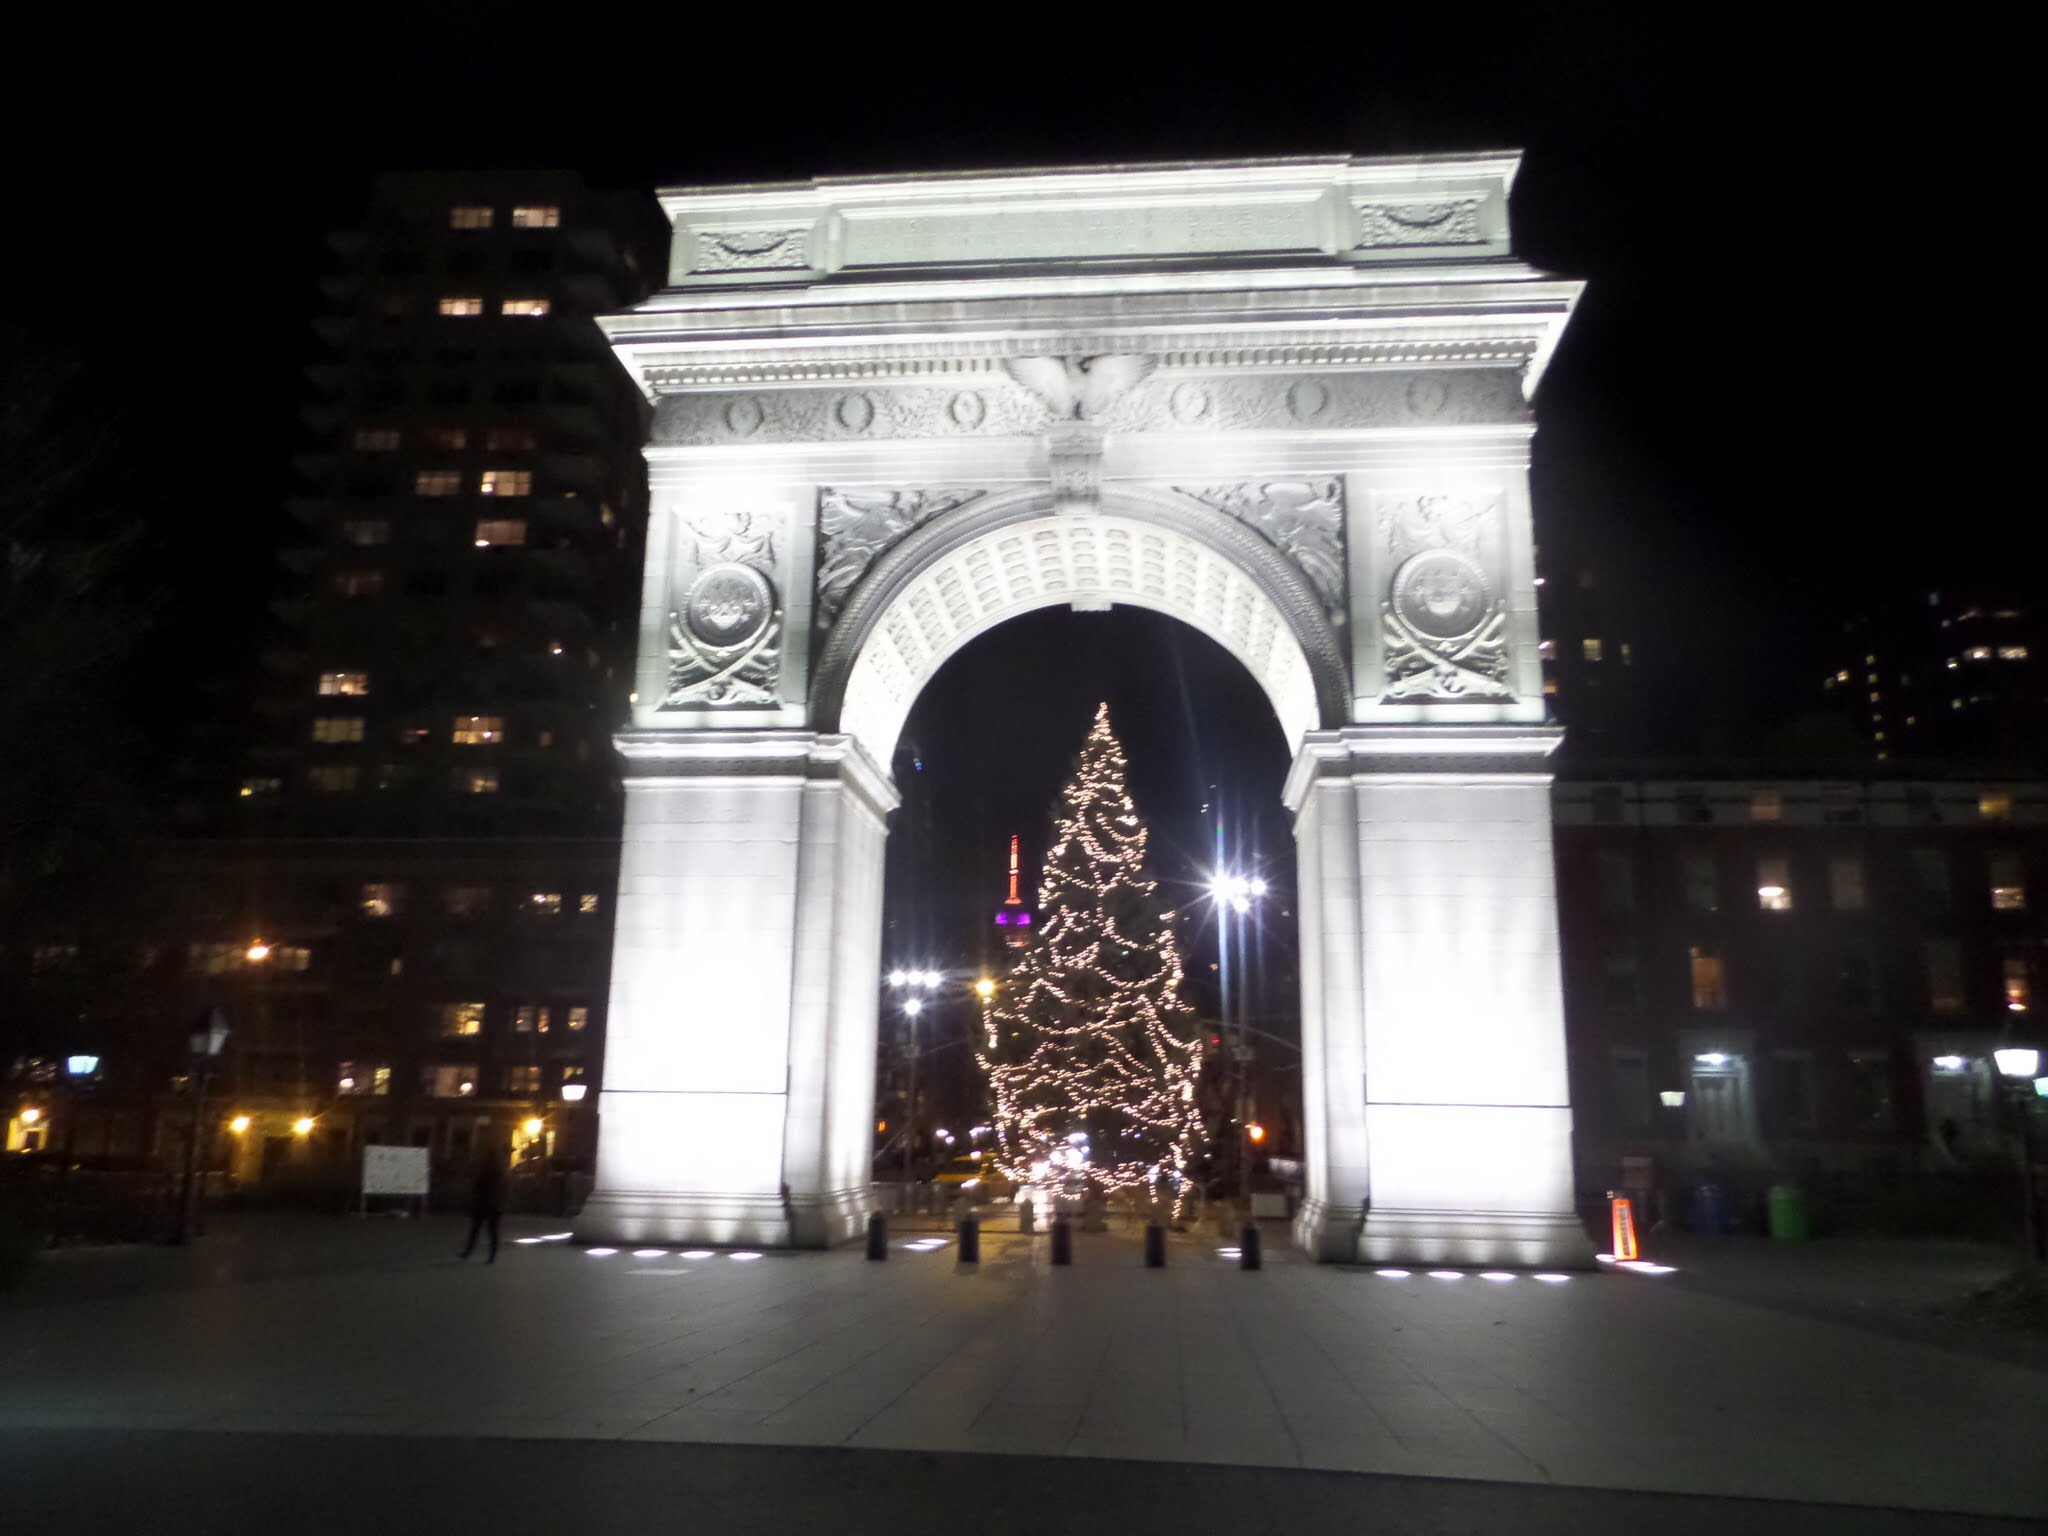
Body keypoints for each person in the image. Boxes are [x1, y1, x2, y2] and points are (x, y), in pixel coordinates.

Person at [458, 1145, 508, 1263]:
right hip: (494, 1204)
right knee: (491, 1231)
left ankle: (468, 1252)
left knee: (476, 1230)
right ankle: (491, 1256)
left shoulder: (485, 1171)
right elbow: (504, 1188)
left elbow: (477, 1186)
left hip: (484, 1203)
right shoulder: (499, 1171)